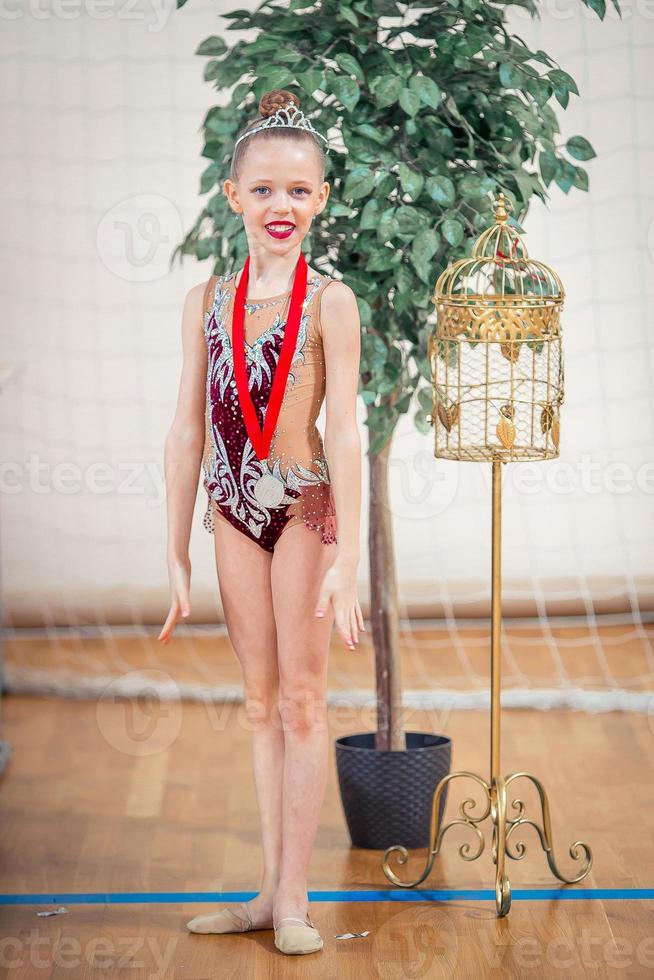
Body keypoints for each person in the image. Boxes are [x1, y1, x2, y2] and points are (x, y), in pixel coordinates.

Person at [158, 88, 363, 956]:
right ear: (233, 195)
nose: (283, 206)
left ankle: (295, 900)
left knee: (305, 701)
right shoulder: (208, 298)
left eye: (300, 191)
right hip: (233, 511)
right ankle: (265, 888)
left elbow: (346, 427)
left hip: (304, 507)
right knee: (256, 702)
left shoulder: (333, 301)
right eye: (265, 190)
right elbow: (186, 425)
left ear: (321, 199)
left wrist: (349, 551)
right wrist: (174, 552)